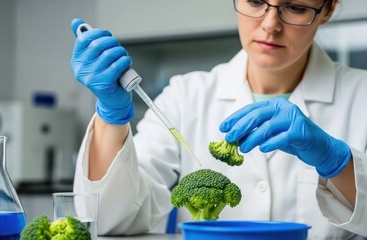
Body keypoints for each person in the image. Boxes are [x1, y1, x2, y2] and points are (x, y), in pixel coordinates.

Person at [70, 0, 367, 238]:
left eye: (296, 7)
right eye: (255, 2)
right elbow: (111, 220)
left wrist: (337, 162)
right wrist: (111, 116)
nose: (270, 25)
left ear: (326, 10)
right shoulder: (185, 95)